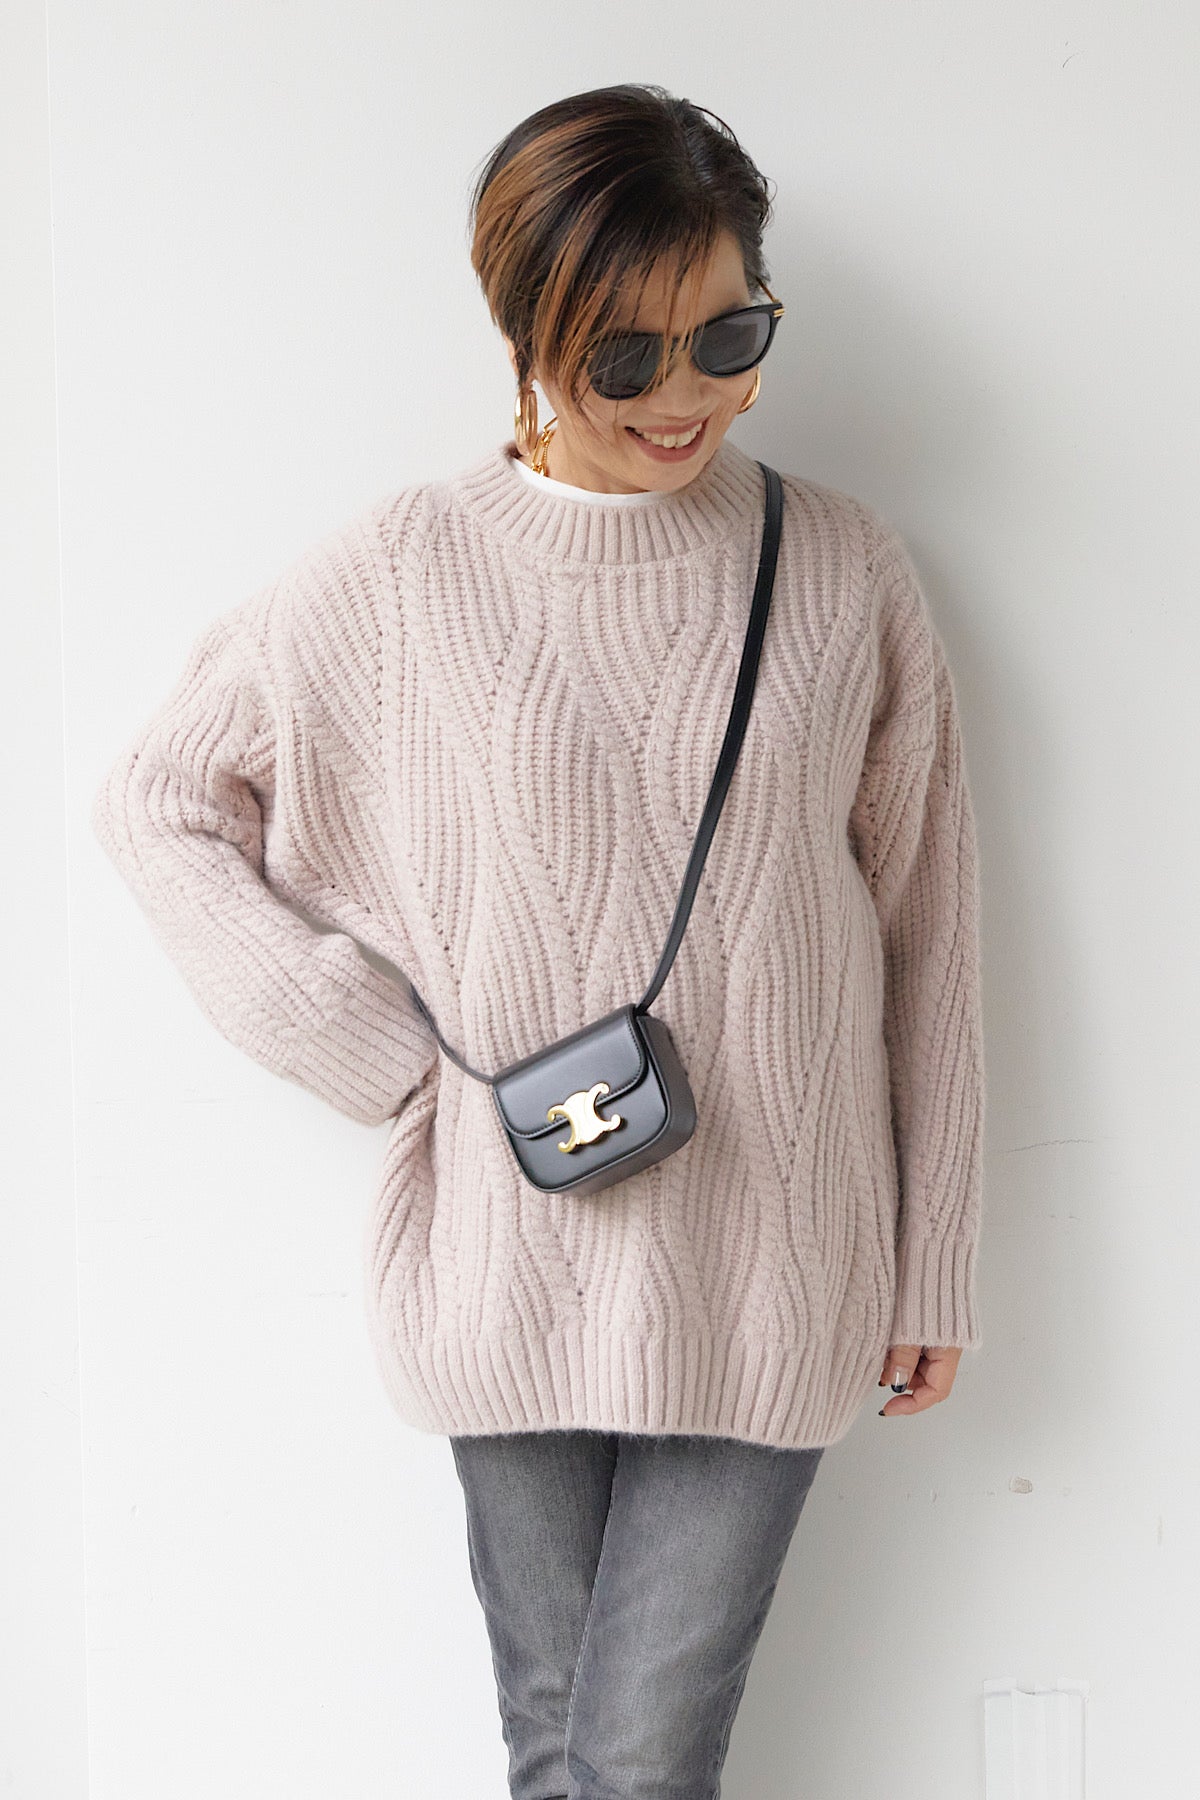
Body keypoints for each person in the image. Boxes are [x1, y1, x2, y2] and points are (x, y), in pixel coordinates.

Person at [91, 81, 986, 1800]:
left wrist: (935, 1252)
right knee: (559, 1755)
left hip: (779, 1251)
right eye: (625, 355)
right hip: (510, 1248)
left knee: (633, 1765)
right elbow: (158, 798)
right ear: (524, 333)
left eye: (730, 335)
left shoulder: (842, 568)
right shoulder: (399, 571)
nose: (686, 396)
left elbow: (930, 929)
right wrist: (362, 1048)